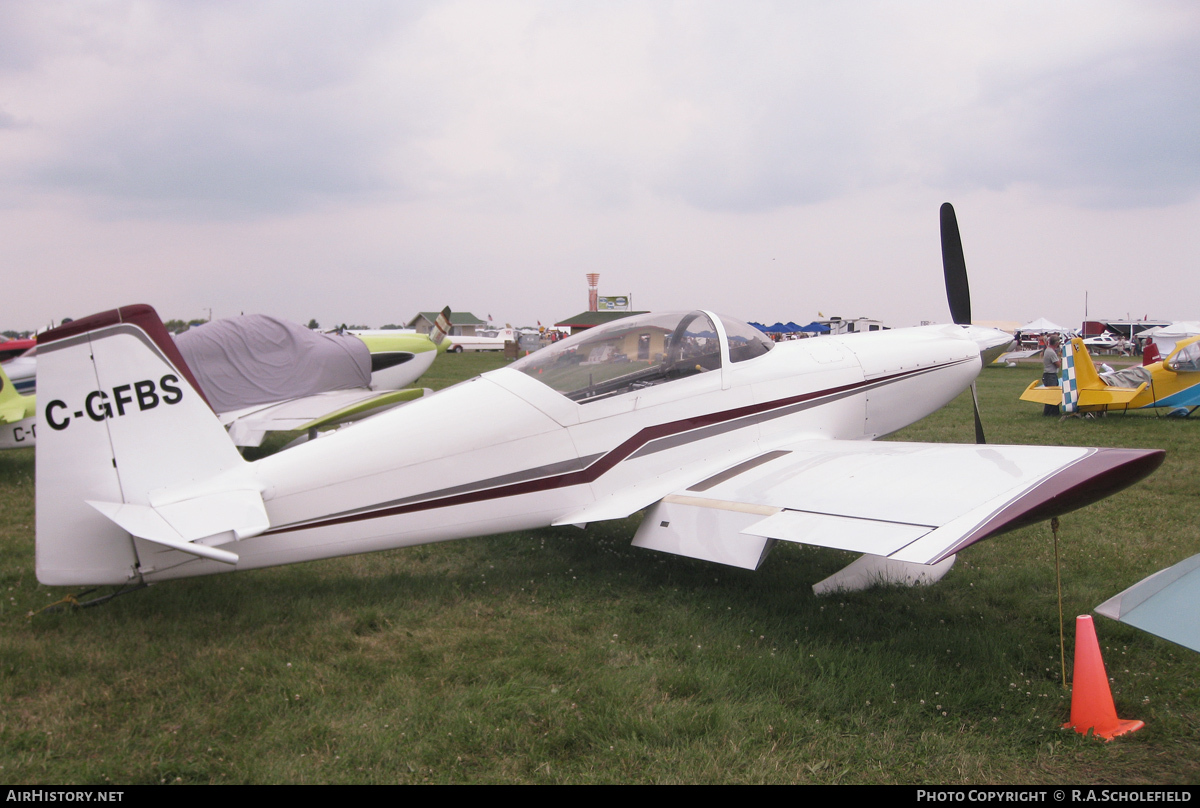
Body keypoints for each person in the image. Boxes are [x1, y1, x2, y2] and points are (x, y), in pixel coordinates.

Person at [1042, 334, 1061, 416]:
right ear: (1056, 343)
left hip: (1048, 375)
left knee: (1051, 394)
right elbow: (1058, 365)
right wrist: (1061, 360)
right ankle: (1051, 413)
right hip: (1051, 375)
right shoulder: (1051, 352)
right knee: (1053, 394)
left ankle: (1051, 412)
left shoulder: (1047, 350)